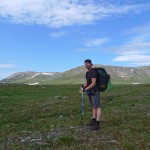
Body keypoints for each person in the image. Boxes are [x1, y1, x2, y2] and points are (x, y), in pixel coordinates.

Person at [80, 59, 101, 130]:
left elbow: (93, 83)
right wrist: (83, 87)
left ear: (91, 64)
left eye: (88, 63)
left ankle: (97, 124)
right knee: (93, 106)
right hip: (90, 92)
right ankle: (93, 121)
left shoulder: (93, 71)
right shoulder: (87, 73)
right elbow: (87, 83)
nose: (86, 65)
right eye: (85, 64)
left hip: (95, 91)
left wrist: (85, 89)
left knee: (97, 106)